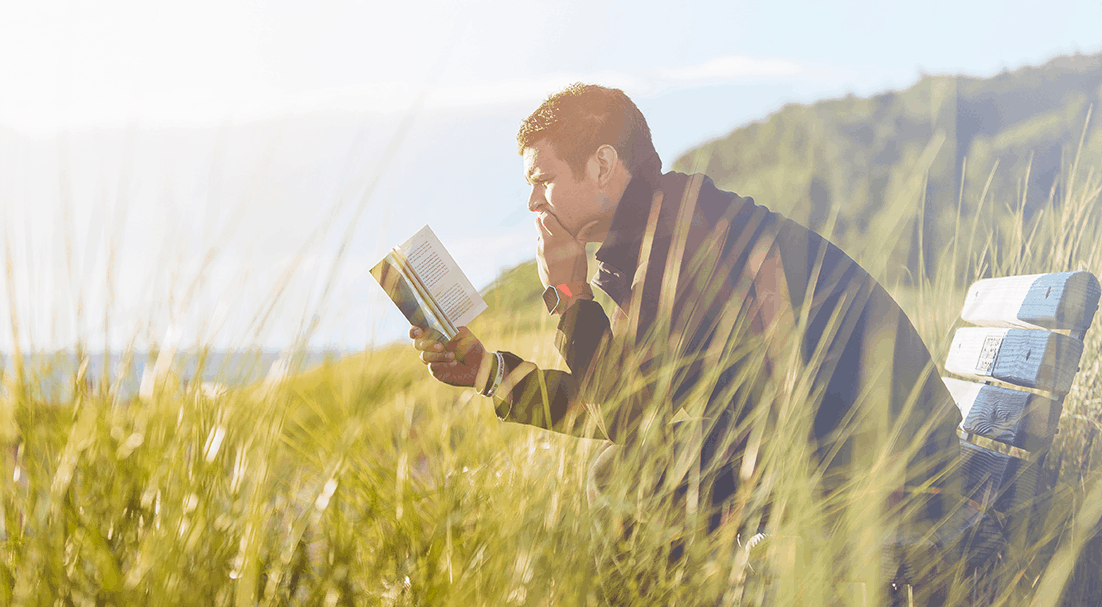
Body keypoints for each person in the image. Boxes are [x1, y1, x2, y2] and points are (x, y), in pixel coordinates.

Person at [409, 83, 966, 589]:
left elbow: (624, 415)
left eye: (543, 181)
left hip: (892, 480)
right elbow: (626, 402)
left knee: (624, 479)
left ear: (603, 165)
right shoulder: (661, 230)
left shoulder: (683, 241)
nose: (533, 203)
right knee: (633, 472)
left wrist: (569, 293)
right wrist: (488, 371)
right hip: (847, 456)